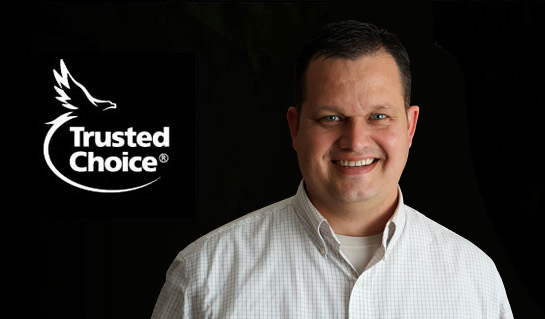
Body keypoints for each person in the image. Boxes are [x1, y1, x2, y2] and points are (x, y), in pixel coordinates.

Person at [152, 20, 512, 318]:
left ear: (410, 127)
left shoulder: (474, 277)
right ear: (295, 128)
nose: (355, 141)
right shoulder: (204, 275)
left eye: (378, 116)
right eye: (331, 117)